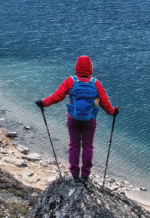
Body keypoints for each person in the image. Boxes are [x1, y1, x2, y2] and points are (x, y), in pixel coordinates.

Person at [35, 55, 119, 184]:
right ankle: (85, 176)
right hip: (89, 121)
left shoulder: (71, 81)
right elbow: (104, 102)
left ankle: (75, 175)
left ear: (77, 67)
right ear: (90, 68)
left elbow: (57, 96)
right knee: (88, 146)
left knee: (74, 146)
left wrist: (43, 103)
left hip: (73, 119)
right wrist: (113, 112)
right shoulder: (95, 83)